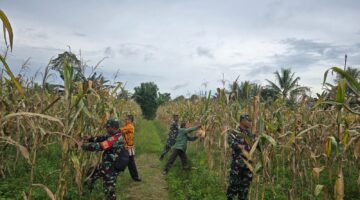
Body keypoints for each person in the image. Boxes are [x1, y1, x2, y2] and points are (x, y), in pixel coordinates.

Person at [80, 118, 126, 200]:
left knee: (109, 191)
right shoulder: (114, 135)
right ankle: (86, 194)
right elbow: (102, 138)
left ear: (112, 127)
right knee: (92, 173)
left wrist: (82, 146)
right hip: (106, 165)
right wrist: (90, 138)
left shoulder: (116, 138)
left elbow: (101, 146)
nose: (106, 129)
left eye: (108, 127)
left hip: (111, 168)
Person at [227, 114, 257, 200]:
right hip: (238, 164)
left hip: (248, 165)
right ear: (242, 121)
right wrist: (239, 146)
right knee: (234, 185)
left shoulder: (250, 134)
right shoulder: (235, 133)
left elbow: (257, 143)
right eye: (249, 120)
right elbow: (231, 142)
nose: (251, 122)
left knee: (245, 187)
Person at [120, 114, 141, 181]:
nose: (125, 120)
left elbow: (120, 130)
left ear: (130, 120)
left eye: (127, 119)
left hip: (128, 147)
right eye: (125, 119)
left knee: (131, 162)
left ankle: (135, 176)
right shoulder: (126, 126)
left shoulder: (130, 126)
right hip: (126, 147)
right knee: (129, 162)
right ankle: (135, 176)